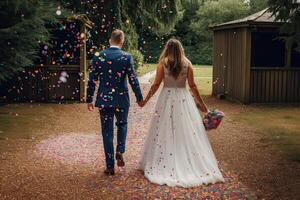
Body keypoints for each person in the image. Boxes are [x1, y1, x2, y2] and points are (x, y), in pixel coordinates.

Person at [139, 38, 224, 187]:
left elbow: (156, 84)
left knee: (163, 129)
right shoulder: (187, 63)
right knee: (186, 129)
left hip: (166, 98)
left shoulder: (163, 63)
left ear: (167, 49)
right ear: (180, 49)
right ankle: (185, 158)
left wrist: (145, 100)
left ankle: (165, 158)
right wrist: (202, 105)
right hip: (184, 99)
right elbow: (193, 86)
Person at [87, 29, 143, 175]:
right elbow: (133, 80)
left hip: (104, 100)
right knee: (122, 124)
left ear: (110, 40)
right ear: (122, 41)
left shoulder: (98, 57)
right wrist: (139, 97)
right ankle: (120, 150)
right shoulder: (127, 57)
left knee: (107, 131)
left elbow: (92, 80)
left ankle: (110, 166)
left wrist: (89, 99)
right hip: (122, 99)